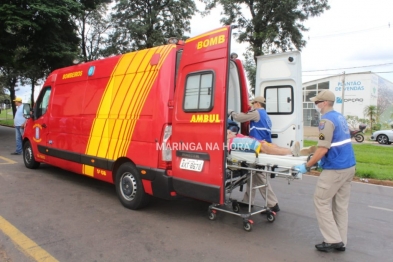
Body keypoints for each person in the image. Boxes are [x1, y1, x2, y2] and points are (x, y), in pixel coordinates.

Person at [294, 90, 356, 252]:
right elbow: (335, 143)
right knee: (340, 206)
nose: (316, 105)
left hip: (336, 168)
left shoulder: (326, 120)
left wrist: (307, 166)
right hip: (349, 166)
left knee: (321, 200)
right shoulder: (339, 117)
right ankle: (341, 240)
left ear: (325, 103)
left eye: (317, 102)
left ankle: (332, 239)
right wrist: (320, 158)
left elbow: (322, 149)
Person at [228, 96, 281, 212]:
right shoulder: (266, 116)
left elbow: (239, 117)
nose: (252, 105)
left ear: (257, 103)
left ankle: (273, 204)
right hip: (263, 146)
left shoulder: (257, 113)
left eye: (253, 103)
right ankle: (248, 202)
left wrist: (231, 111)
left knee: (260, 176)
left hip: (257, 148)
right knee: (252, 175)